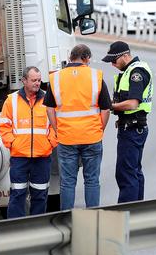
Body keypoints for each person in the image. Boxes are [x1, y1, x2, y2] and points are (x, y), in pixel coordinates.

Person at [44, 44, 112, 210]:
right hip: (91, 136)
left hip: (67, 138)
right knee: (92, 180)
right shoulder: (96, 76)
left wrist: (58, 129)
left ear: (70, 57)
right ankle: (92, 217)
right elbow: (106, 109)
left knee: (67, 182)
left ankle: (66, 219)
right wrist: (99, 129)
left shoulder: (55, 78)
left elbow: (49, 109)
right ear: (87, 58)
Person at [0, 66, 57, 218]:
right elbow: (4, 125)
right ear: (24, 80)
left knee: (40, 195)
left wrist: (50, 142)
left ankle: (37, 227)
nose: (37, 83)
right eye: (33, 80)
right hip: (19, 157)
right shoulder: (11, 101)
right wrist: (12, 143)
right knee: (17, 194)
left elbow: (56, 124)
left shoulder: (48, 100)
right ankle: (15, 228)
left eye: (39, 80)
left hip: (42, 157)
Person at [101, 41, 153, 203]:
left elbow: (133, 103)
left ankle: (126, 213)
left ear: (125, 56)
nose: (112, 64)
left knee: (126, 173)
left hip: (131, 129)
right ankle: (137, 211)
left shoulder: (135, 72)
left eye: (114, 60)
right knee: (134, 171)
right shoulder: (131, 70)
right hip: (134, 127)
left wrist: (109, 106)